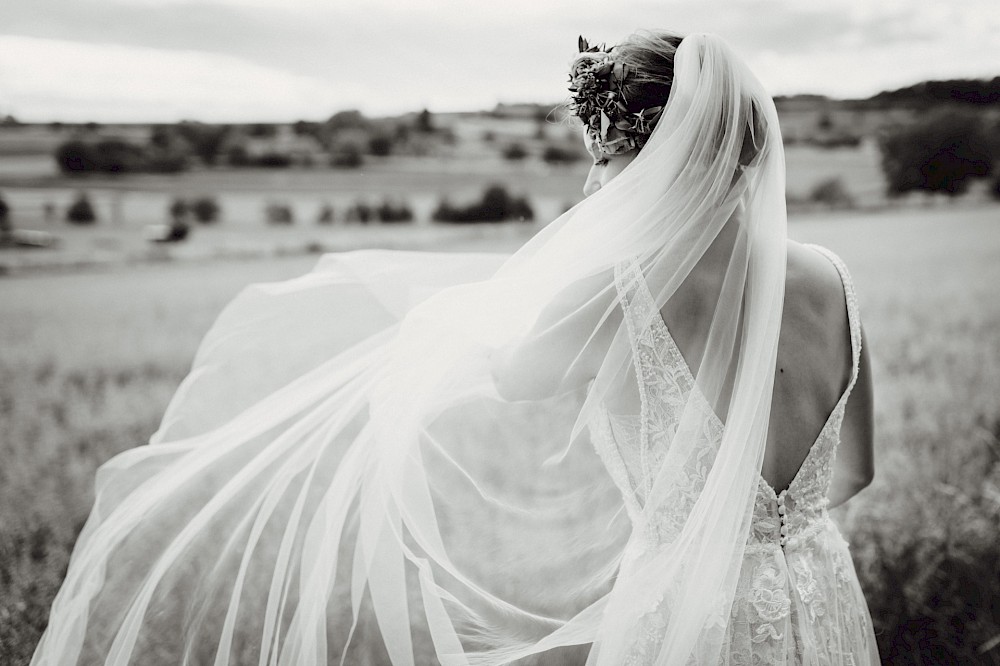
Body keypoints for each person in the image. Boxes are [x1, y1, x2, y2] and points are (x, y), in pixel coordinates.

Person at [32, 30, 878, 666]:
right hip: (824, 594)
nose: (594, 187)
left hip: (689, 623)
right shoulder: (832, 278)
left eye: (607, 161)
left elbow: (516, 376)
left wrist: (443, 326)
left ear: (653, 163)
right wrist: (776, 537)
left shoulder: (615, 296)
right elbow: (857, 472)